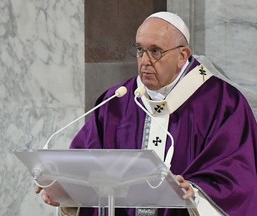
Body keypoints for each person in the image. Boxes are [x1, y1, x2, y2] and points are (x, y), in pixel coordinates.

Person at [36, 11, 257, 216]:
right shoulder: (117, 101)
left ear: (182, 56)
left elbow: (239, 176)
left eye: (155, 51)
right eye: (140, 50)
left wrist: (197, 193)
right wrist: (66, 190)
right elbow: (85, 165)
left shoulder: (222, 102)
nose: (144, 61)